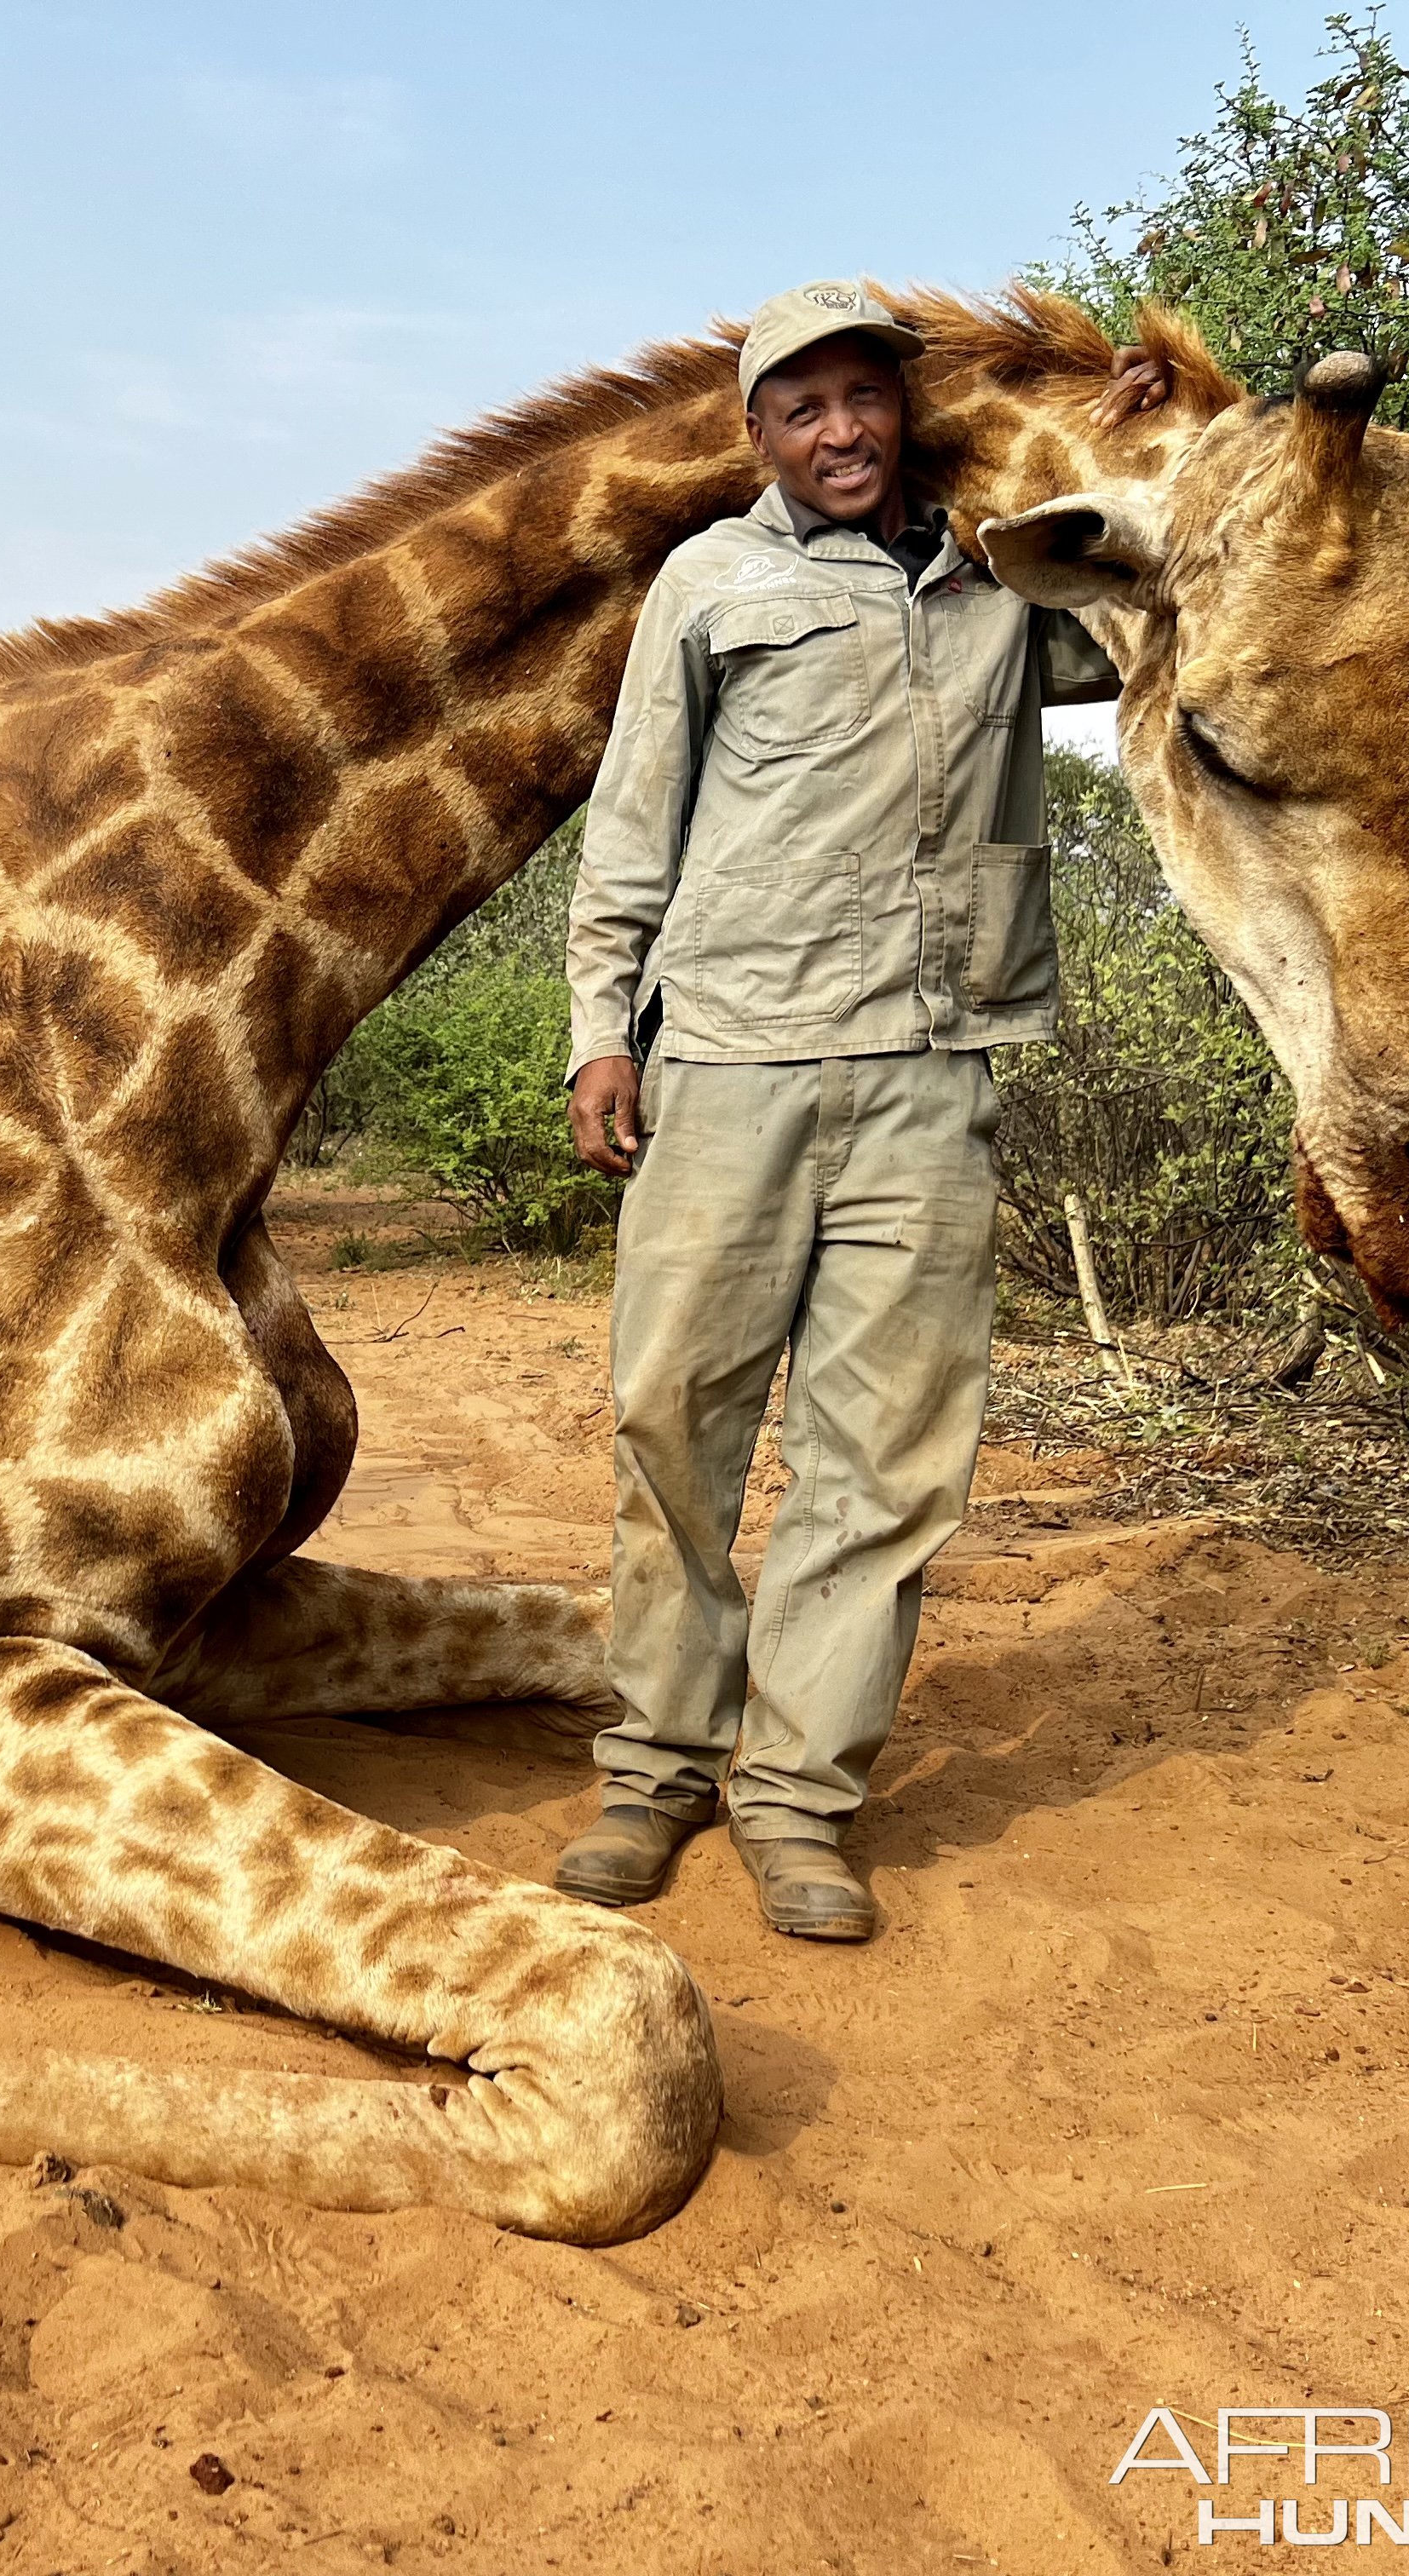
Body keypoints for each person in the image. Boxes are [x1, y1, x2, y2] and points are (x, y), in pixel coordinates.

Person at [552, 282, 1122, 1940]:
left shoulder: (1008, 585)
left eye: (863, 399)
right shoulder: (711, 582)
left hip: (933, 1069)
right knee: (675, 1422)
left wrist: (1133, 426)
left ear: (904, 412)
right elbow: (634, 813)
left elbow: (1172, 599)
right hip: (726, 1057)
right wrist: (606, 1028)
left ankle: (800, 1799)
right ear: (760, 435)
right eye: (801, 408)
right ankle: (656, 1767)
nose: (840, 432)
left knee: (884, 1459)